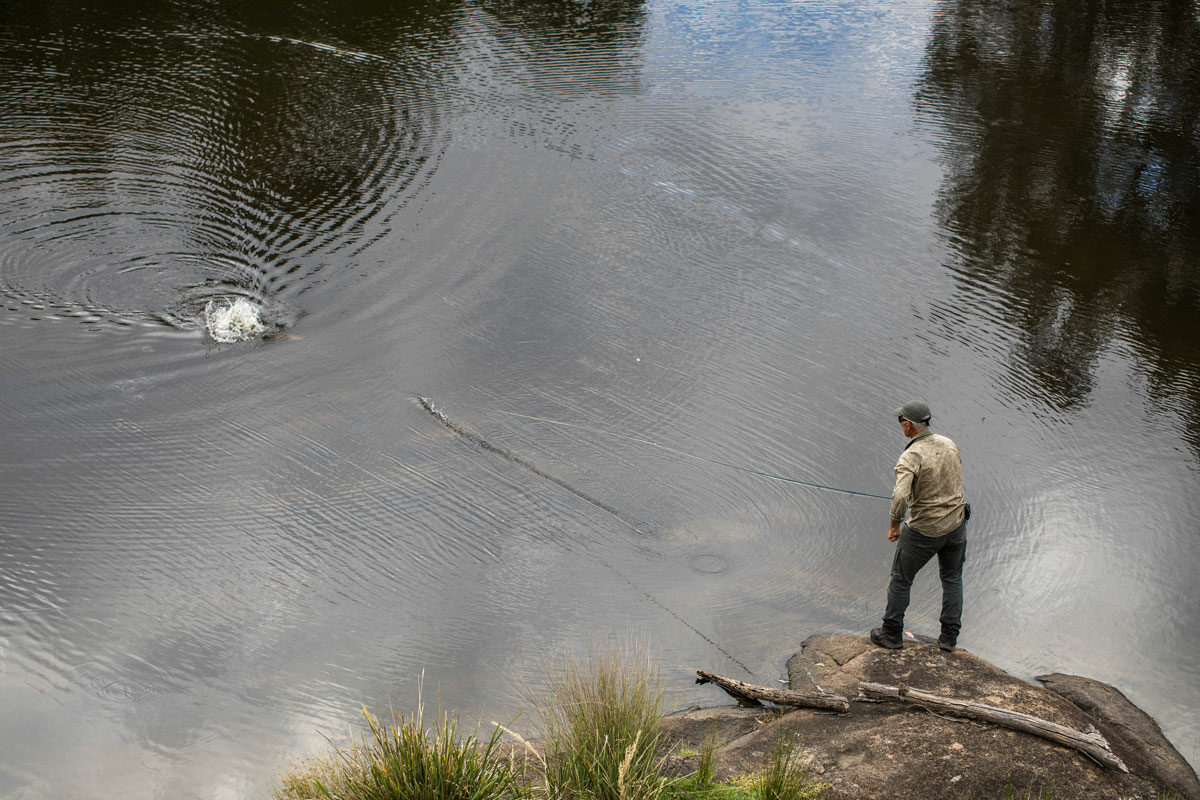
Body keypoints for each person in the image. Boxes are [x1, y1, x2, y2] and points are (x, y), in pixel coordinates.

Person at [870, 401, 968, 653]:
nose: (901, 426)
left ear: (908, 425)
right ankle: (948, 639)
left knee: (901, 580)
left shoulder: (911, 455)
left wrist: (894, 525)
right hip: (956, 524)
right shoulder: (949, 444)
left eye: (901, 422)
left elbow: (900, 496)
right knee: (952, 578)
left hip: (925, 530)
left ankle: (891, 634)